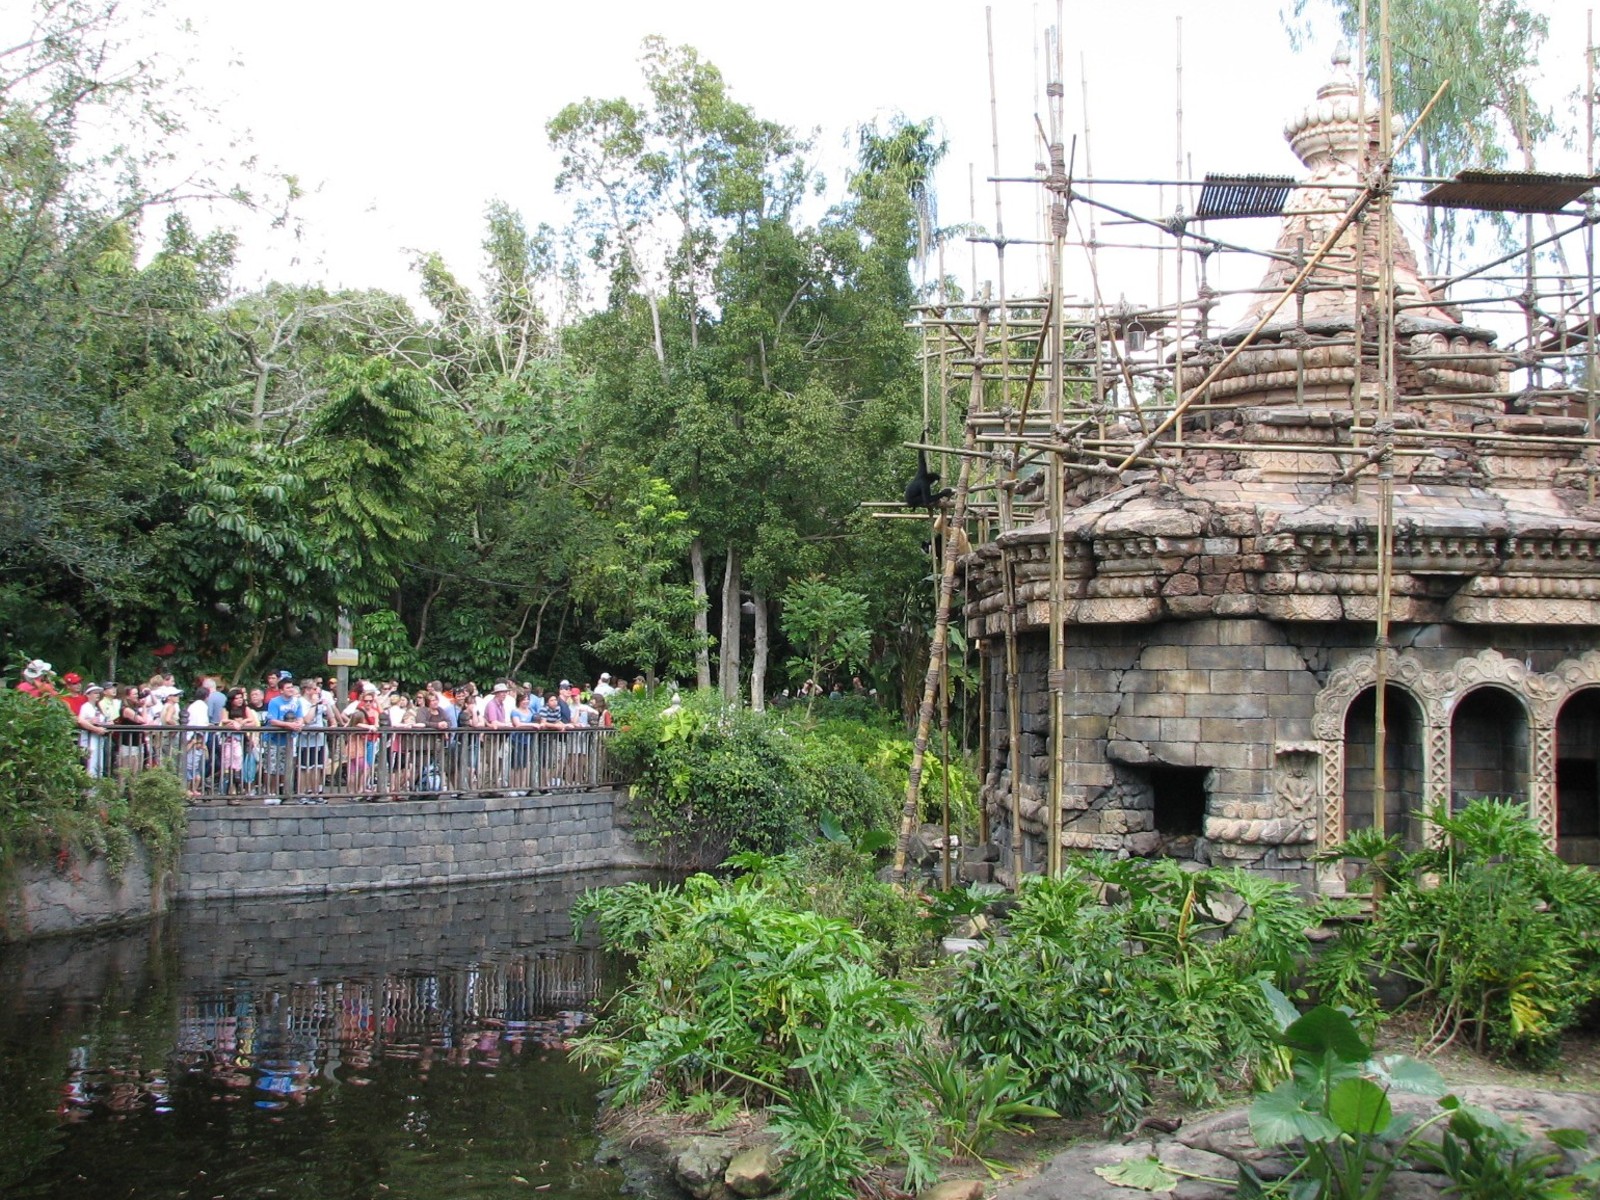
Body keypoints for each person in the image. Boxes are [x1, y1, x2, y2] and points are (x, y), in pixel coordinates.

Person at [263, 681, 306, 802]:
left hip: (289, 740)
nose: (291, 689)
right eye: (288, 687)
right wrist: (289, 725)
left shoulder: (297, 702)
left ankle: (283, 793)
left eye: (292, 687)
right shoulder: (275, 702)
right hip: (273, 739)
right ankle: (270, 793)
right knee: (272, 767)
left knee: (285, 767)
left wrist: (299, 724)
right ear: (281, 690)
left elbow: (300, 717)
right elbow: (273, 720)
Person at [297, 681, 338, 801]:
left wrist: (327, 706)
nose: (317, 691)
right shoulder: (301, 702)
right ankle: (302, 793)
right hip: (305, 739)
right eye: (315, 689)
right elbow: (307, 720)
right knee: (305, 768)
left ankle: (316, 793)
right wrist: (314, 704)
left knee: (318, 767)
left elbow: (331, 717)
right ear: (307, 690)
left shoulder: (319, 700)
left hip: (319, 739)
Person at [76, 683, 110, 778]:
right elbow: (80, 721)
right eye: (95, 693)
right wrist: (95, 729)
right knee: (91, 765)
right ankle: (90, 791)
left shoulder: (97, 707)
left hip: (99, 740)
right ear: (88, 694)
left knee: (99, 765)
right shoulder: (85, 707)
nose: (97, 695)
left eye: (98, 693)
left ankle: (97, 789)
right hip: (89, 741)